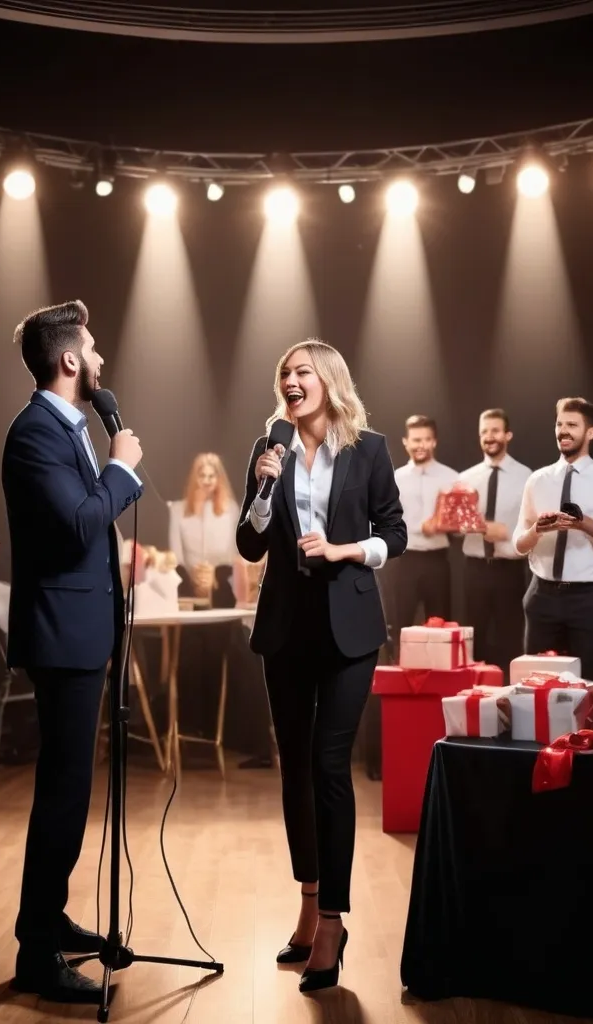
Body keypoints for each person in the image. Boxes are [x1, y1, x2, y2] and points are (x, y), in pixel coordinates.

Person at [236, 339, 406, 993]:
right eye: (284, 372)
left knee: (331, 766)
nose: (289, 379)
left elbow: (395, 531)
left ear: (329, 381)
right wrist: (261, 488)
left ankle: (333, 920)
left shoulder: (369, 448)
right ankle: (307, 902)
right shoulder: (268, 450)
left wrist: (344, 550)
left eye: (301, 370)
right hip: (285, 626)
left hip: (350, 627)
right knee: (295, 770)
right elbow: (250, 542)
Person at [2, 299, 143, 1004]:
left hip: (84, 630)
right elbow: (80, 525)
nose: (100, 361)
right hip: (62, 636)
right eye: (93, 350)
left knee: (71, 792)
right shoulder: (36, 434)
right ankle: (35, 956)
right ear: (68, 361)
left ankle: (48, 919)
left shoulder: (69, 427)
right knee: (62, 795)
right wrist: (121, 468)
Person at [513, 397, 593, 682]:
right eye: (559, 424)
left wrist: (588, 526)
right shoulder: (537, 480)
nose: (563, 431)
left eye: (571, 425)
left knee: (588, 683)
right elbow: (518, 543)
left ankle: (586, 729)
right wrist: (537, 531)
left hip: (587, 599)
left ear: (590, 432)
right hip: (541, 595)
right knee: (535, 683)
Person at [456, 408, 531, 677]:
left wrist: (506, 532)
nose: (490, 437)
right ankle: (473, 697)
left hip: (509, 571)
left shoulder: (527, 478)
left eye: (495, 431)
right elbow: (455, 527)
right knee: (473, 636)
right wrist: (461, 525)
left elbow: (532, 527)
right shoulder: (463, 478)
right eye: (484, 431)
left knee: (511, 637)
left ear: (508, 435)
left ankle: (511, 698)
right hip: (474, 568)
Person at [391, 415, 460, 642]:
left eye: (426, 440)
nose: (420, 445)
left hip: (437, 562)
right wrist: (422, 526)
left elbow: (460, 525)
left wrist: (446, 524)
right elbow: (387, 521)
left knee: (440, 627)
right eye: (416, 440)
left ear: (434, 442)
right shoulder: (394, 478)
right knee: (401, 623)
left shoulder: (452, 478)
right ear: (406, 442)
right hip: (406, 561)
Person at [168, 452, 237, 604]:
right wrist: (195, 578)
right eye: (202, 475)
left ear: (218, 479)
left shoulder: (231, 510)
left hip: (222, 587)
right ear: (195, 477)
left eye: (211, 476)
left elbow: (234, 553)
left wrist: (214, 576)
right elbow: (176, 556)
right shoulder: (178, 510)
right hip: (187, 586)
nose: (206, 481)